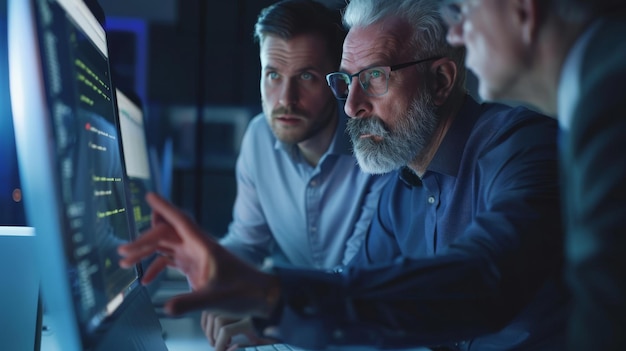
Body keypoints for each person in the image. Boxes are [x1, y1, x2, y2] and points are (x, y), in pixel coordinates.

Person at [118, 0, 569, 349]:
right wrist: (271, 318)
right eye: (346, 81)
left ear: (441, 81)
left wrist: (275, 296)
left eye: (374, 77)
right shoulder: (401, 182)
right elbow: (353, 280)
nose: (352, 106)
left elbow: (484, 279)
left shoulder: (523, 148)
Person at [199, 1, 391, 349]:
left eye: (306, 77)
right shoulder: (259, 137)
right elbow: (247, 241)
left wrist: (273, 305)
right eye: (272, 75)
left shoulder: (375, 147)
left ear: (338, 82)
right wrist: (210, 266)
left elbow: (357, 278)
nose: (285, 99)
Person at [443, 0, 626, 349]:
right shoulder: (596, 87)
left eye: (463, 11)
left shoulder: (611, 97)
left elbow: (610, 315)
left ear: (522, 12)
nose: (454, 34)